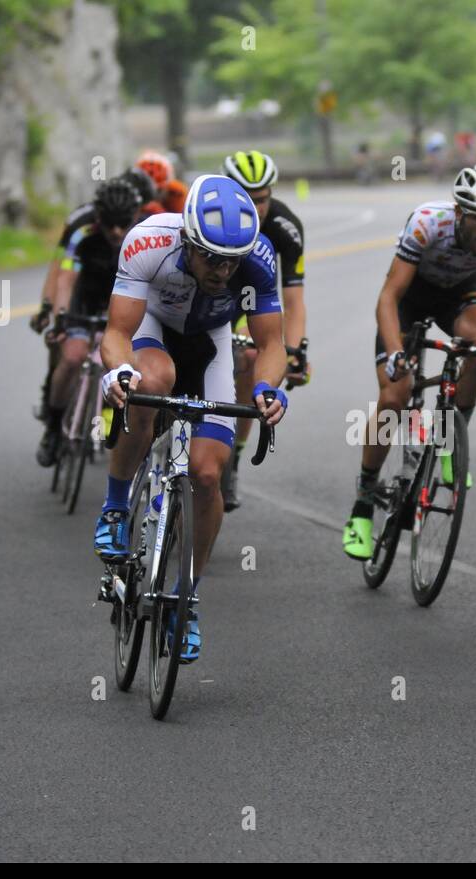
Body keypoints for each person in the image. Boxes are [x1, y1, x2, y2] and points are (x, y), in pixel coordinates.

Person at [95, 174, 288, 662]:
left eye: (231, 262)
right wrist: (120, 372)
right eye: (211, 258)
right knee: (152, 383)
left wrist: (266, 390)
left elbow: (271, 345)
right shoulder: (149, 241)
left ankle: (185, 598)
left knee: (206, 474)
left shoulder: (260, 259)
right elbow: (116, 331)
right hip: (153, 327)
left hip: (211, 338)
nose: (222, 272)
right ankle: (117, 506)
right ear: (186, 239)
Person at [341, 165, 476, 560]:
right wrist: (395, 353)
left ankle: (449, 436)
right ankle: (362, 503)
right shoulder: (428, 224)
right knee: (395, 396)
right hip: (411, 296)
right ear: (459, 213)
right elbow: (389, 298)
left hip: (458, 294)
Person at [219, 150, 309, 511]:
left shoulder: (286, 227)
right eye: (247, 198)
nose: (256, 208)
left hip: (250, 297)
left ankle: (234, 457)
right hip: (206, 293)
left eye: (262, 198)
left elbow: (294, 299)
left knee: (255, 355)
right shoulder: (210, 212)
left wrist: (297, 350)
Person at [32, 176, 143, 463]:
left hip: (121, 298)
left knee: (126, 360)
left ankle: (110, 416)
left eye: (123, 223)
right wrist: (59, 319)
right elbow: (65, 279)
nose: (117, 231)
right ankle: (54, 428)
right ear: (98, 218)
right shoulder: (82, 230)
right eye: (110, 225)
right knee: (71, 357)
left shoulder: (143, 232)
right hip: (85, 295)